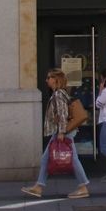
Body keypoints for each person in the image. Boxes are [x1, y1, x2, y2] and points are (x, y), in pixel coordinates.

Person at [22, 70, 90, 199]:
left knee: (72, 159)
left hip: (63, 131)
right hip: (62, 131)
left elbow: (63, 113)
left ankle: (83, 187)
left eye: (49, 77)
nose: (46, 80)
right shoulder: (60, 93)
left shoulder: (58, 94)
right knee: (47, 158)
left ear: (55, 79)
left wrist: (61, 132)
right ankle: (39, 187)